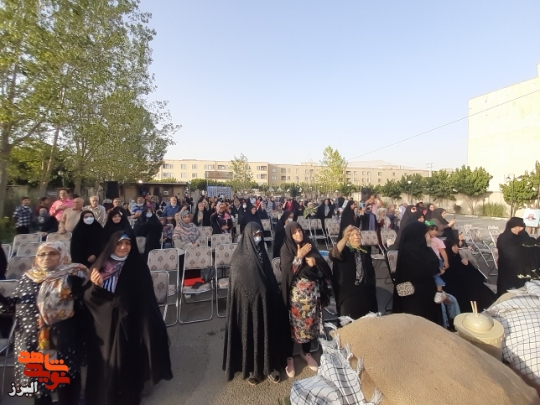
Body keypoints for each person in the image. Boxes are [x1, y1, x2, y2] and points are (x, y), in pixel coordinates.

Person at [84, 231, 173, 405]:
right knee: (110, 365)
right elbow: (88, 298)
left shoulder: (137, 266)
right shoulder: (100, 265)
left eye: (127, 244)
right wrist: (95, 287)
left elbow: (145, 297)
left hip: (132, 320)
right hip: (107, 322)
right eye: (119, 243)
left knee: (130, 364)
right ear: (112, 245)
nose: (123, 247)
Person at [0, 242, 89, 405]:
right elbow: (15, 307)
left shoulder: (74, 275)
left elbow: (85, 306)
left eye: (53, 253)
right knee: (39, 391)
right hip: (31, 340)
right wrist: (2, 301)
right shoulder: (28, 277)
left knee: (67, 387)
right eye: (42, 254)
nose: (46, 257)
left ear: (62, 256)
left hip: (63, 340)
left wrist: (79, 292)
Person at [223, 222, 289, 385]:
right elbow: (238, 284)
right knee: (251, 335)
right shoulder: (239, 257)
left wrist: (270, 292)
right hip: (248, 307)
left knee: (267, 334)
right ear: (247, 236)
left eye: (259, 234)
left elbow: (269, 277)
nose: (258, 237)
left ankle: (270, 366)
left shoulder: (262, 253)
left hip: (265, 303)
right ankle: (254, 369)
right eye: (254, 235)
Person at [280, 222, 332, 377]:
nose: (299, 234)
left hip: (312, 296)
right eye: (295, 232)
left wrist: (314, 264)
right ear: (290, 235)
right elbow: (287, 274)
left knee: (309, 325)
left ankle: (306, 353)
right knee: (293, 327)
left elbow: (322, 267)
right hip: (297, 299)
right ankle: (289, 357)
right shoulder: (286, 249)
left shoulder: (309, 244)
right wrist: (299, 257)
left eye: (300, 231)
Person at [392, 221, 442, 325]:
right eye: (426, 233)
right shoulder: (409, 250)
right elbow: (426, 268)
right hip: (415, 294)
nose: (428, 236)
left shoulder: (421, 248)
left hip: (423, 291)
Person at [330, 226, 377, 319]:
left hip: (365, 291)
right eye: (352, 235)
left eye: (358, 234)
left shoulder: (364, 250)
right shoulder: (344, 251)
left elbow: (370, 273)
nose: (356, 236)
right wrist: (344, 238)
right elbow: (333, 254)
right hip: (348, 292)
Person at [444, 240, 496, 311]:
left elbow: (471, 272)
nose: (457, 248)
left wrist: (467, 264)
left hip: (468, 283)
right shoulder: (448, 260)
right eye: (454, 246)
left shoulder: (458, 257)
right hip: (459, 286)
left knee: (478, 286)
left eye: (457, 246)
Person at [496, 217, 540, 297]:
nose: (518, 229)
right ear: (510, 227)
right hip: (508, 267)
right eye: (515, 227)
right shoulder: (503, 238)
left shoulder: (525, 237)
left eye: (520, 227)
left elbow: (534, 246)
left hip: (524, 267)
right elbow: (509, 254)